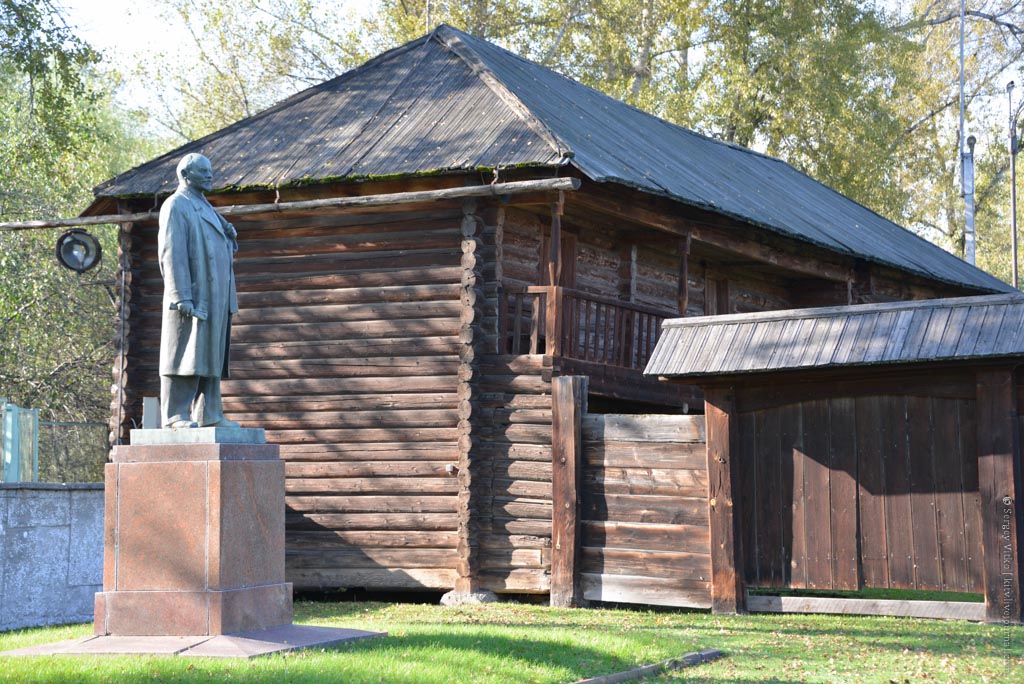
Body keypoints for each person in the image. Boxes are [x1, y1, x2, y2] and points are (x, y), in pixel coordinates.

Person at [158, 153, 240, 428]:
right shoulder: (176, 205)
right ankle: (175, 415)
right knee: (183, 354)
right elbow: (172, 252)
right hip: (192, 295)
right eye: (203, 171)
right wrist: (181, 295)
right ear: (185, 175)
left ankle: (209, 413)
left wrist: (229, 239)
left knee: (210, 356)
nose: (210, 175)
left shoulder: (205, 206)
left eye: (210, 170)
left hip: (215, 295)